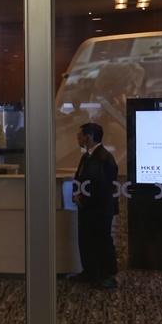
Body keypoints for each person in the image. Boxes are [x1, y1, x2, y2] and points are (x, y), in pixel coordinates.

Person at [72, 122, 119, 289]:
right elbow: (80, 179)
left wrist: (84, 198)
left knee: (102, 241)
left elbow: (104, 187)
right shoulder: (87, 156)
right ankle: (90, 272)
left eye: (80, 135)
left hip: (100, 209)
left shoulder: (105, 158)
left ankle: (108, 276)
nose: (78, 138)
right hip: (87, 208)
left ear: (89, 137)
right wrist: (77, 195)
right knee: (86, 240)